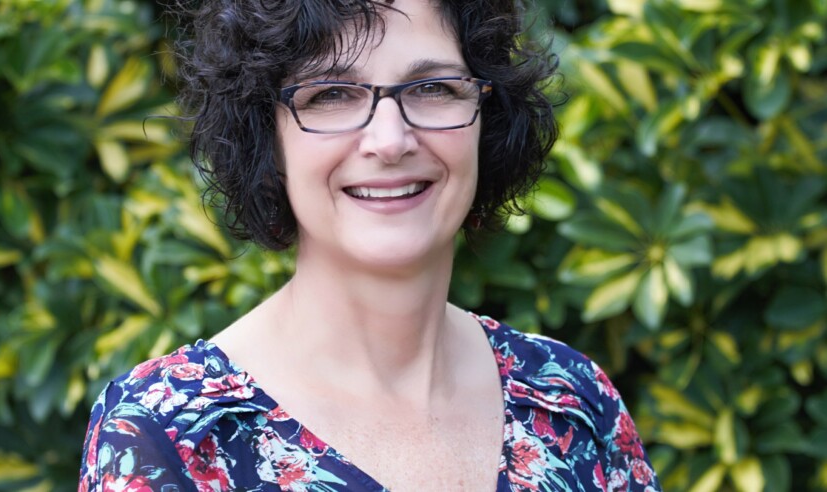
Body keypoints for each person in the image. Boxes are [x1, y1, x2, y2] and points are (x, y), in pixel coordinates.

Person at [79, 0, 660, 490]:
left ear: (489, 115)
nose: (390, 139)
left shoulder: (570, 399)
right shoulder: (168, 437)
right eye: (331, 94)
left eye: (433, 87)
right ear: (266, 136)